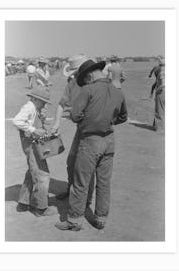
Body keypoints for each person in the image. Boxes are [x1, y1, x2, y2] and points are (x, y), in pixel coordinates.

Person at [55, 59, 128, 231]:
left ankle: (74, 220)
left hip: (90, 141)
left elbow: (75, 115)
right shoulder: (118, 91)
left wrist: (90, 120)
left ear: (88, 75)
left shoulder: (88, 89)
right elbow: (123, 117)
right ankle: (101, 218)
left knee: (81, 183)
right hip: (109, 141)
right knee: (104, 182)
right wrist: (106, 121)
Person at [51, 54, 94, 203]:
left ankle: (86, 198)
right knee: (71, 162)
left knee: (87, 165)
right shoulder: (72, 83)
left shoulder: (93, 85)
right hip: (80, 128)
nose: (75, 76)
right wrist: (56, 122)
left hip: (91, 130)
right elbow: (61, 104)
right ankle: (71, 190)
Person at [12, 87, 58, 217]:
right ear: (36, 99)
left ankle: (23, 202)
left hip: (30, 142)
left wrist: (41, 117)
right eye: (43, 102)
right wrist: (33, 130)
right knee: (42, 174)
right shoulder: (30, 107)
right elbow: (17, 121)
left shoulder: (34, 107)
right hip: (30, 143)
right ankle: (40, 207)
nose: (44, 104)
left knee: (33, 170)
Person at [153, 58, 165, 132]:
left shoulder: (162, 72)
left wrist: (157, 90)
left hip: (161, 92)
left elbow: (163, 84)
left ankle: (160, 128)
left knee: (159, 110)